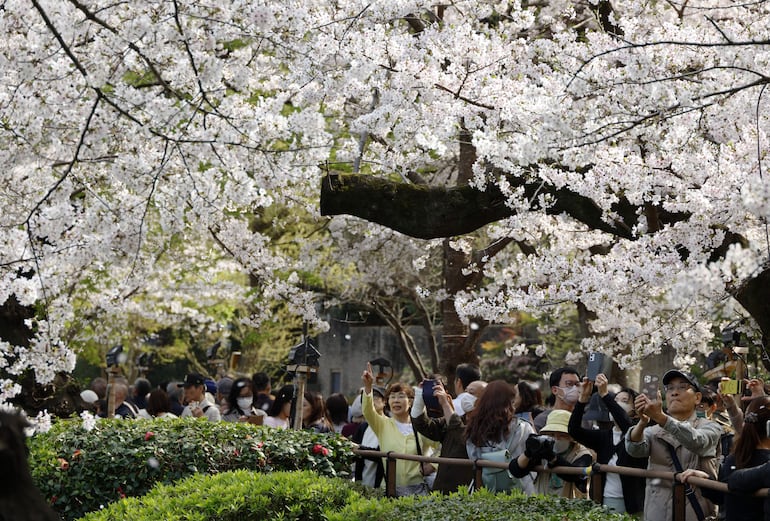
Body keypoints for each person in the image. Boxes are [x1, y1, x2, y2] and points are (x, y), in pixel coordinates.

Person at [626, 369, 721, 521]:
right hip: (658, 511)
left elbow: (698, 441)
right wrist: (642, 422)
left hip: (697, 512)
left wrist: (660, 417)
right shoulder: (653, 431)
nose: (674, 392)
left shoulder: (710, 427)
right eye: (670, 388)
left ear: (697, 398)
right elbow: (634, 450)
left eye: (682, 387)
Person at [679, 396, 770, 521]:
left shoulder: (737, 457)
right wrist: (705, 481)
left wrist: (706, 481)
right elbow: (726, 493)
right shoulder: (759, 461)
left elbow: (723, 496)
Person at [568, 373, 646, 514]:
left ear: (635, 411)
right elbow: (574, 431)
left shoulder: (639, 434)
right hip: (604, 499)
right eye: (615, 400)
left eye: (624, 401)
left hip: (633, 504)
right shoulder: (604, 436)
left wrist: (605, 395)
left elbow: (627, 428)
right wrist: (582, 399)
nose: (616, 404)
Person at [361, 362, 437, 496]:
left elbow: (443, 446)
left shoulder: (421, 426)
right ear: (387, 402)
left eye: (401, 396)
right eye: (392, 397)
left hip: (418, 491)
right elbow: (368, 411)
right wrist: (368, 387)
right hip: (390, 490)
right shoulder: (383, 424)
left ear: (411, 401)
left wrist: (433, 466)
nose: (396, 400)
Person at [412, 378, 481, 494]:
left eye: (471, 393)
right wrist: (420, 397)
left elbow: (462, 436)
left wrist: (446, 405)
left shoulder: (485, 427)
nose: (465, 396)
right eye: (466, 391)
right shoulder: (455, 419)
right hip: (440, 490)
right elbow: (423, 425)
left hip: (464, 494)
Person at [465, 380, 535, 493]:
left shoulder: (474, 428)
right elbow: (533, 455)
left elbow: (472, 457)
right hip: (520, 489)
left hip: (486, 487)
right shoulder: (522, 427)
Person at [510, 409, 593, 498]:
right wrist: (528, 453)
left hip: (570, 507)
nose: (556, 439)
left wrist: (553, 458)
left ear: (571, 437)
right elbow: (516, 470)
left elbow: (574, 475)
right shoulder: (544, 449)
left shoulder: (582, 454)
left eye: (562, 435)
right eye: (552, 435)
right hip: (542, 504)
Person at [350, 386, 387, 488]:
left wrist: (360, 449)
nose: (371, 401)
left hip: (381, 487)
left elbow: (385, 455)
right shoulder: (363, 427)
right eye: (366, 399)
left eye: (374, 397)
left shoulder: (390, 425)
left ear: (384, 402)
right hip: (362, 485)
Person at [533, 367, 581, 432]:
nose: (575, 388)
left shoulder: (583, 419)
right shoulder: (543, 420)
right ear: (555, 390)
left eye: (577, 384)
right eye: (569, 384)